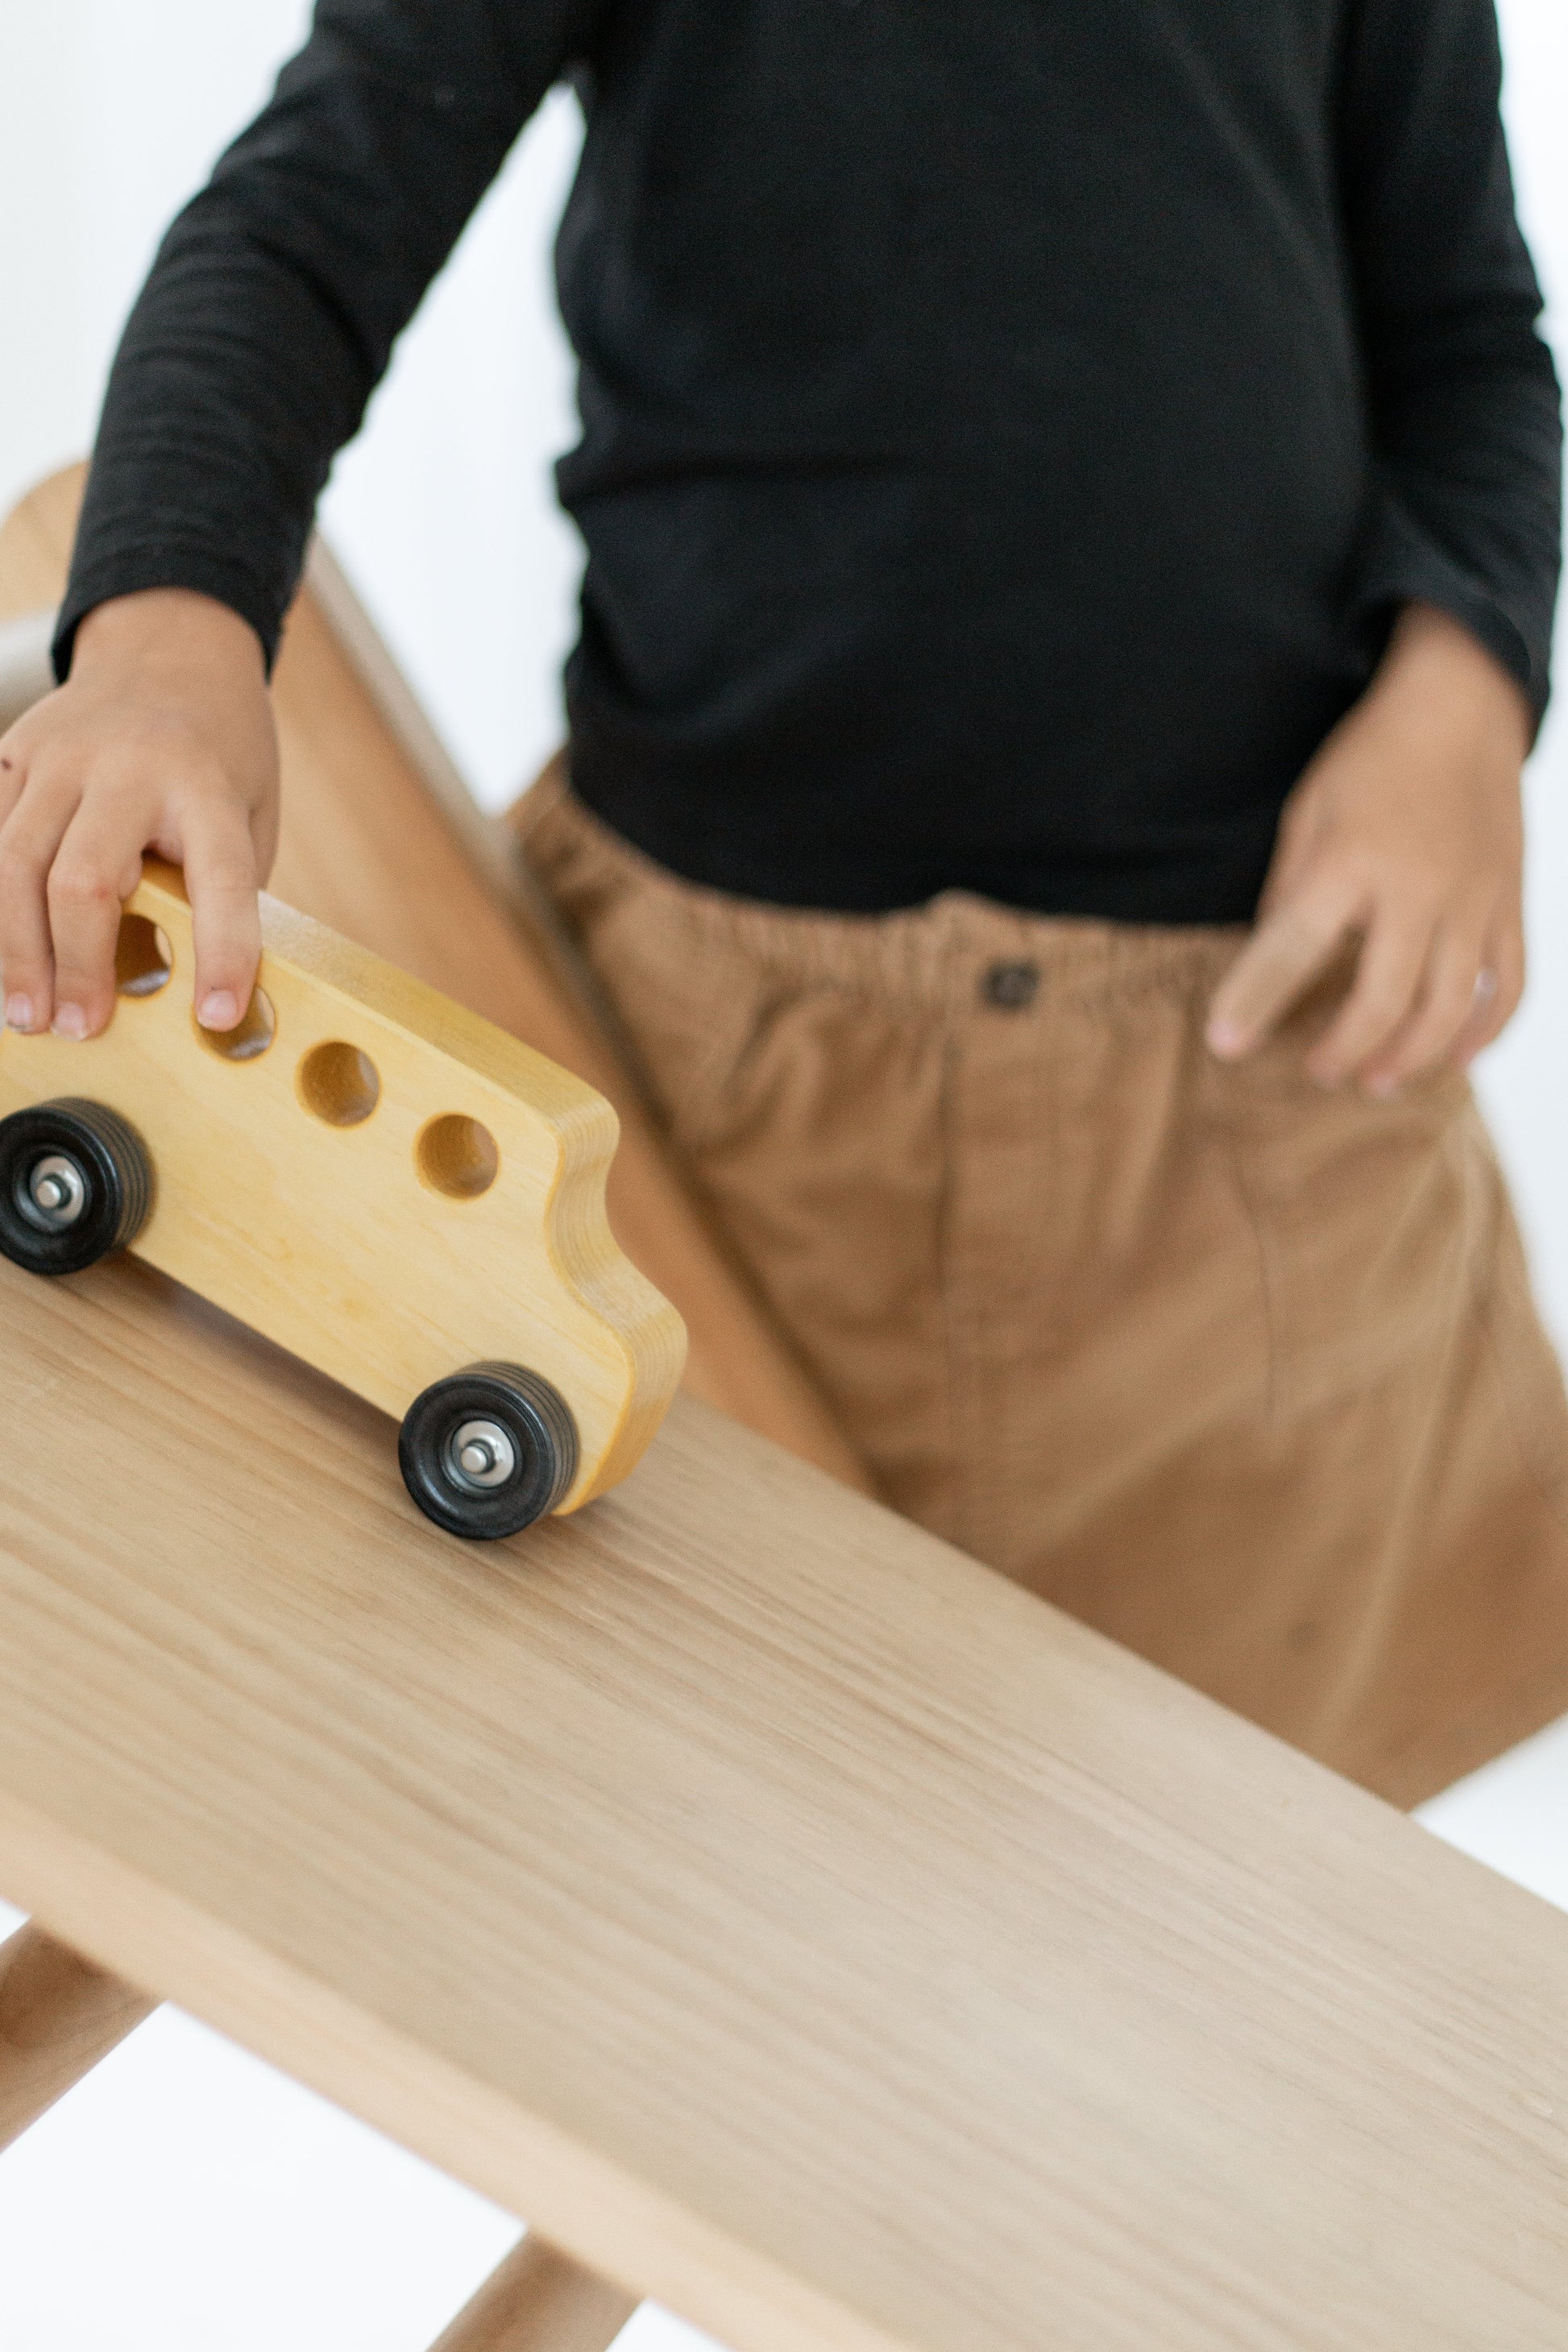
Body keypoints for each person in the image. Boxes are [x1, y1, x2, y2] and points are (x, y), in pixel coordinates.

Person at [1, 0, 1563, 1806]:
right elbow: (301, 225)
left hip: (1265, 1115)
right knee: (715, 1869)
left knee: (1257, 1917)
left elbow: (1467, 333)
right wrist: (171, 634)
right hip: (701, 1105)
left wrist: (1460, 693)